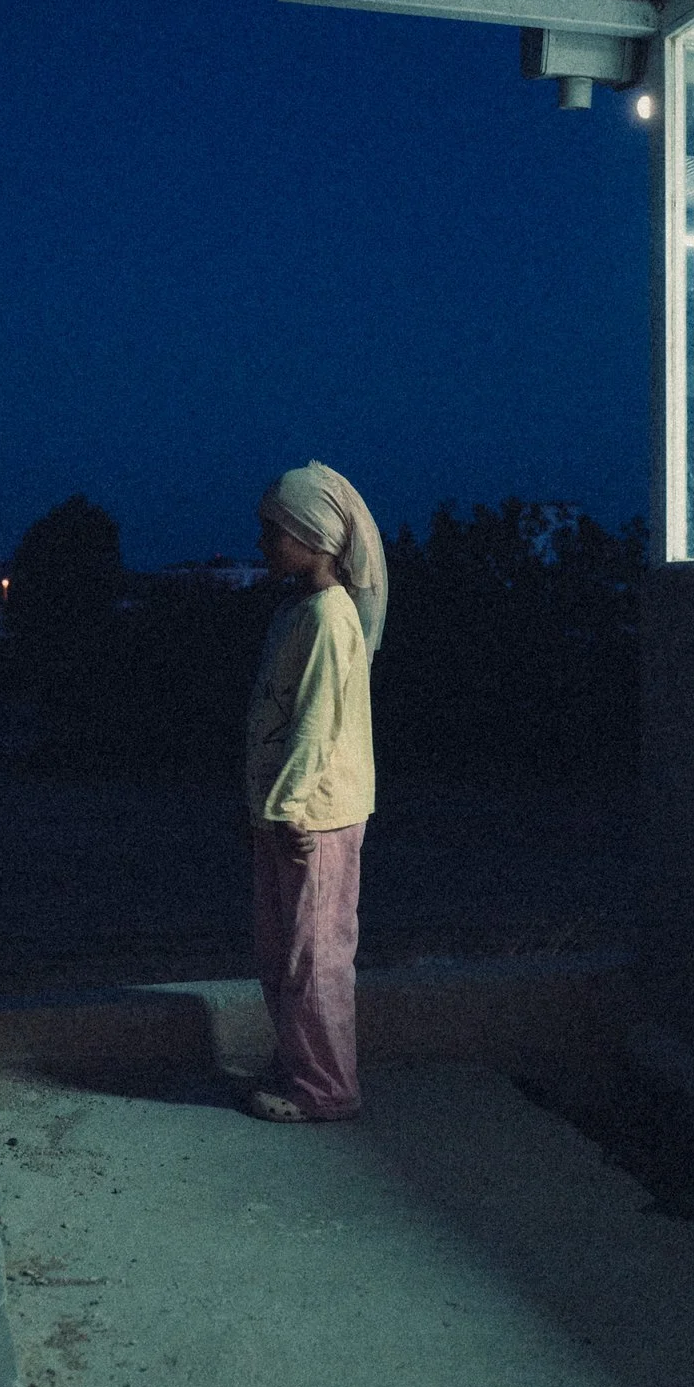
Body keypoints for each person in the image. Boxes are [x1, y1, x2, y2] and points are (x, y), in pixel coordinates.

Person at [243, 461, 384, 1124]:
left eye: (274, 533)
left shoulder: (331, 616)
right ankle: (304, 1062)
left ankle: (328, 1088)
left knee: (316, 954)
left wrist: (288, 806)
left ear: (311, 533)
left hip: (312, 817)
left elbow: (319, 721)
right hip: (285, 814)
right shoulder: (299, 611)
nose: (265, 545)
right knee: (283, 950)